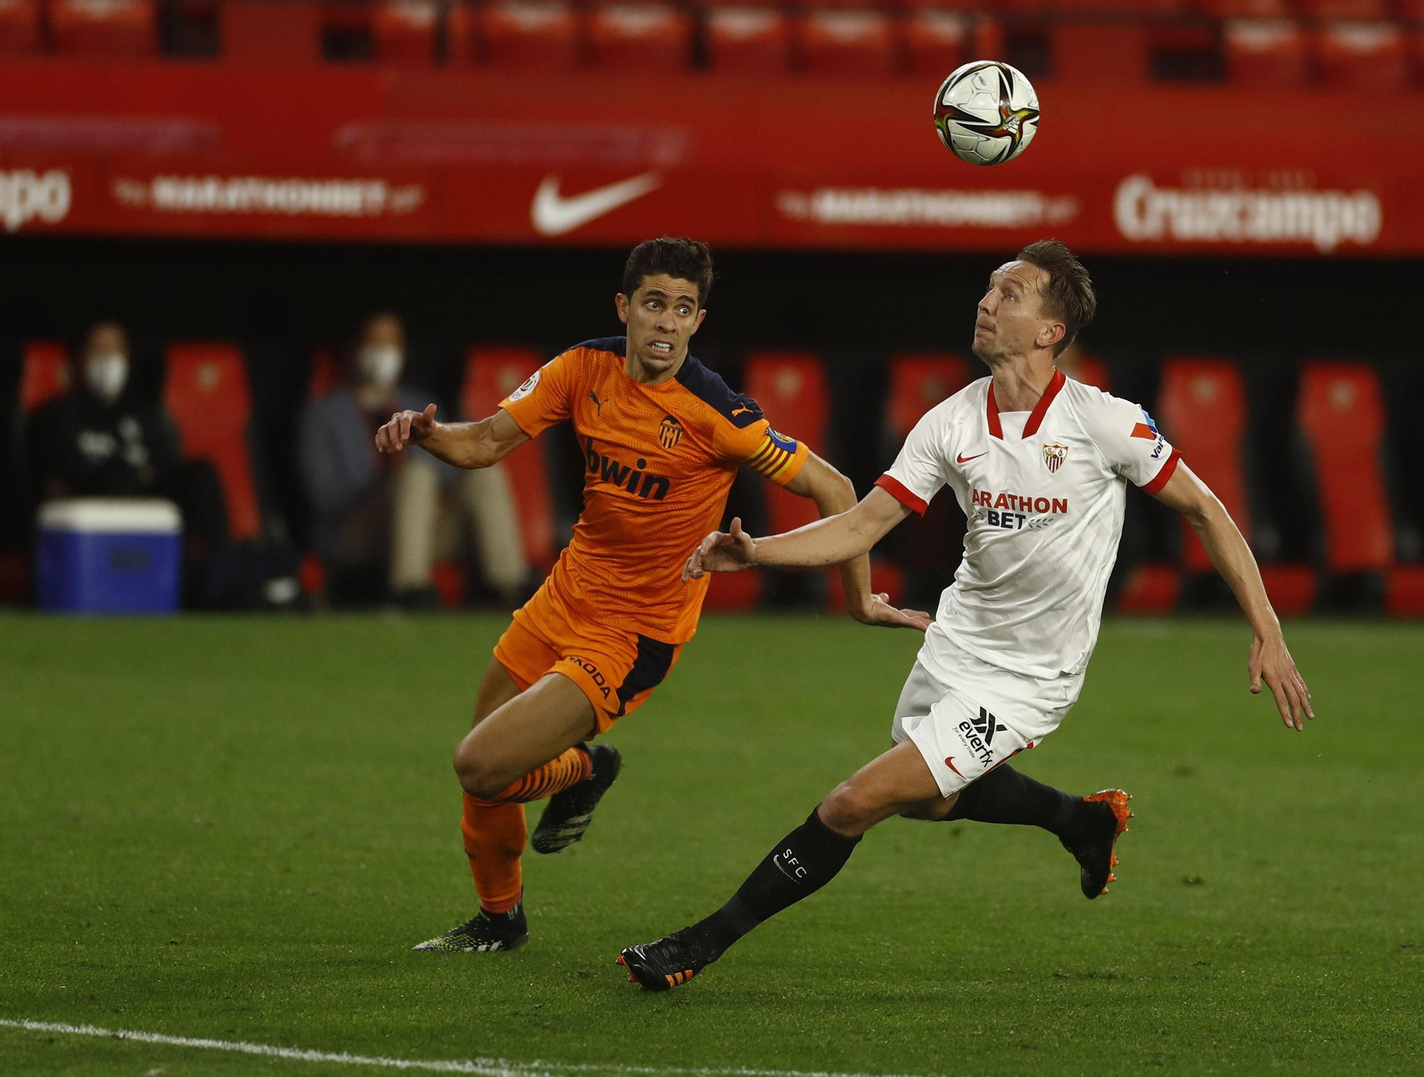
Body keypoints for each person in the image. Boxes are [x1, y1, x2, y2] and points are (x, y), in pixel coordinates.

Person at [617, 239, 1314, 991]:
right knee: (930, 799)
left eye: (1009, 294)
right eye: (988, 289)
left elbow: (1206, 510)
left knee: (855, 801)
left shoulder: (1105, 422)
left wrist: (1267, 630)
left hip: (1030, 677)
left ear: (1051, 331)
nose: (986, 302)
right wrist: (757, 554)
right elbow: (861, 525)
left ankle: (698, 944)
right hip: (955, 645)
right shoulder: (951, 422)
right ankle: (1083, 821)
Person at [373, 238, 928, 953]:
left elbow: (836, 488)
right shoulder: (582, 368)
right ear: (625, 307)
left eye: (684, 309)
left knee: (478, 762)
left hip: (634, 633)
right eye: (655, 303)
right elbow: (483, 442)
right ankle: (500, 918)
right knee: (486, 781)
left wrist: (858, 599)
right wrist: (426, 434)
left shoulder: (717, 411)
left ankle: (585, 767)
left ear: (699, 321)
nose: (667, 322)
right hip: (564, 595)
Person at [298, 311, 527, 607]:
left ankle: (508, 587)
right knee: (415, 474)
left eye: (392, 343)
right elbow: (323, 496)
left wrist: (430, 498)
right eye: (375, 343)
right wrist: (398, 490)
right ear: (355, 348)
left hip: (425, 530)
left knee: (483, 474)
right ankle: (409, 591)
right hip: (356, 532)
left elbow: (455, 463)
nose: (385, 353)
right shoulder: (324, 414)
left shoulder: (420, 404)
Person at [24, 321, 231, 604]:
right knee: (118, 474)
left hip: (143, 499)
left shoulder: (144, 415)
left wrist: (138, 475)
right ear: (78, 358)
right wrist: (121, 473)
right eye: (99, 349)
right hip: (94, 506)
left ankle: (218, 582)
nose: (109, 359)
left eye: (116, 349)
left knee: (201, 473)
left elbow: (166, 466)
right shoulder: (57, 415)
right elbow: (63, 476)